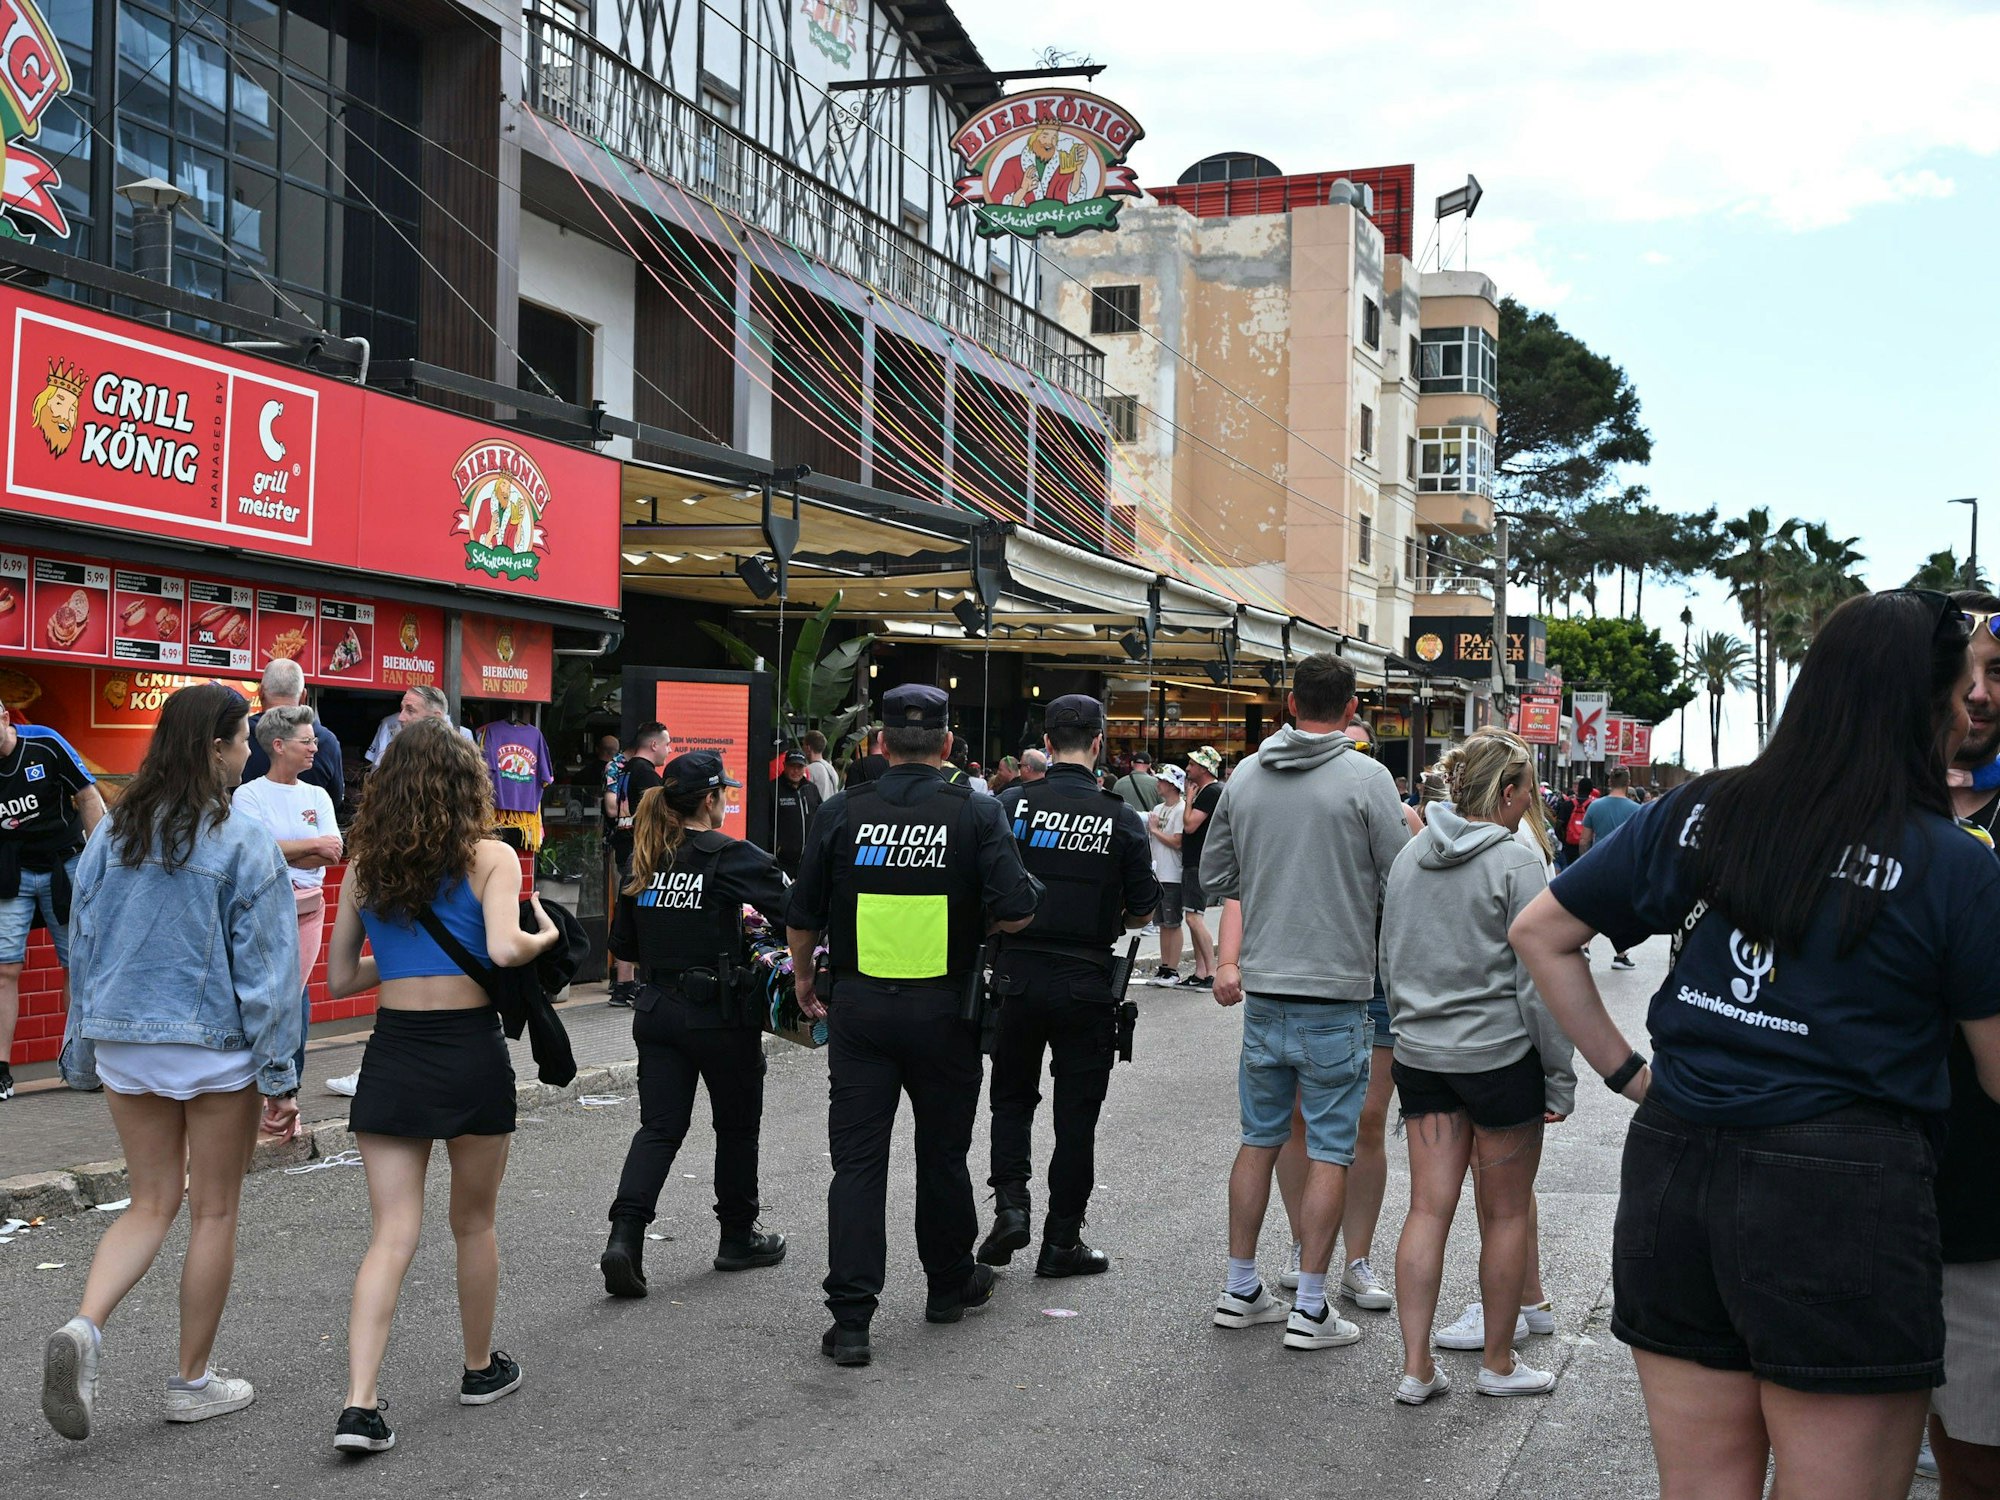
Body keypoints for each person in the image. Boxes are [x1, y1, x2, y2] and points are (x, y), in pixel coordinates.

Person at [1511, 589, 2000, 1500]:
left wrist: (1630, 1077)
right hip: (1844, 1191)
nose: (1978, 700)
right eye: (1970, 682)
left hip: (1675, 1168)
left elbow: (1543, 931)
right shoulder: (1955, 864)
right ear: (1926, 703)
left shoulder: (1705, 810)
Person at [42, 683, 301, 1441]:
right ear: (215, 748)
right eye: (244, 737)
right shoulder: (243, 839)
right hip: (213, 1047)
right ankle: (191, 1382)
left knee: (149, 1202)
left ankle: (86, 1325)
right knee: (213, 1209)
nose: (250, 748)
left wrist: (83, 1045)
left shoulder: (112, 834)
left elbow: (81, 945)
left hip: (124, 1040)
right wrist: (281, 1076)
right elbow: (267, 972)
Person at [786, 684, 1042, 1368]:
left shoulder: (842, 810)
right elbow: (1018, 911)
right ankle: (948, 1285)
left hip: (861, 1012)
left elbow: (803, 912)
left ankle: (851, 1322)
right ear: (949, 746)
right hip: (944, 1013)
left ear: (880, 744)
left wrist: (805, 979)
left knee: (859, 1164)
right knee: (942, 1156)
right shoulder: (976, 811)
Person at [324, 718, 561, 1456]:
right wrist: (545, 936)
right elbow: (501, 948)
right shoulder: (491, 856)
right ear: (469, 785)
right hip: (468, 1053)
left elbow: (338, 978)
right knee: (474, 1224)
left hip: (393, 1052)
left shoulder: (365, 866)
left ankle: (360, 1405)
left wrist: (403, 966)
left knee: (391, 1233)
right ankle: (478, 1368)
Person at [1200, 655, 1410, 1354]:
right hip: (1339, 990)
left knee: (1259, 1139)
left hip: (1264, 989)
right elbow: (1399, 874)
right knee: (1330, 1147)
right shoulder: (1367, 777)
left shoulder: (1248, 775)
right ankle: (1312, 1305)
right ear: (1351, 709)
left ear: (1291, 703)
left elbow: (1217, 874)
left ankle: (1240, 1288)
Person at [1380, 729, 1574, 1403]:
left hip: (1422, 1057)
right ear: (1512, 791)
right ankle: (1497, 1364)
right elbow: (1539, 980)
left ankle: (1416, 1367)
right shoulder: (1517, 864)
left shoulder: (1410, 857)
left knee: (1426, 1210)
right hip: (1498, 1059)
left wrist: (1409, 1032)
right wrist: (1560, 1073)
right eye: (1527, 793)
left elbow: (1391, 956)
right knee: (1507, 1212)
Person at [600, 751, 792, 1299]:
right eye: (724, 793)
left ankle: (624, 1237)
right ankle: (736, 1238)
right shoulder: (726, 855)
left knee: (659, 1128)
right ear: (710, 800)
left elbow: (624, 947)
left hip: (657, 1009)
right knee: (735, 1128)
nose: (727, 801)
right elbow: (793, 906)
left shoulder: (645, 857)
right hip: (719, 1015)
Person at [978, 696, 1158, 1276]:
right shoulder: (1119, 817)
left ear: (1047, 743)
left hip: (1016, 976)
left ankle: (1010, 1204)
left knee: (1010, 1099)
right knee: (1076, 1117)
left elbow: (985, 891)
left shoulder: (1009, 806)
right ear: (1100, 742)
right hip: (1086, 980)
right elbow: (1141, 911)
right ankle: (1061, 1242)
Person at [1931, 588, 2000, 1495]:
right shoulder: (1850, 820)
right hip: (1861, 1213)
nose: (1978, 693)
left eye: (1998, 673)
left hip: (1984, 1220)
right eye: (1959, 673)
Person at [232, 706, 344, 1104]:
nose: (316, 747)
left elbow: (332, 853)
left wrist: (289, 853)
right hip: (265, 908)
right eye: (307, 740)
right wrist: (310, 846)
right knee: (268, 995)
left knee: (294, 996)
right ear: (278, 746)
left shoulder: (317, 794)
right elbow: (256, 854)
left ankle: (286, 1086)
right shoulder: (248, 795)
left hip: (309, 910)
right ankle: (259, 1088)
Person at [0, 697, 105, 1102]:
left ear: (7, 718)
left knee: (76, 965)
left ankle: (81, 1064)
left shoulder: (43, 742)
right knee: (5, 969)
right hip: (13, 871)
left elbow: (89, 796)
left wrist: (101, 862)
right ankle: (2, 1072)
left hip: (66, 864)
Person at [607, 723, 671, 1008]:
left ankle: (623, 985)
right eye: (667, 745)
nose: (669, 751)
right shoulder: (646, 775)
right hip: (642, 853)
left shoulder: (625, 769)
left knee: (628, 912)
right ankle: (642, 985)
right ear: (654, 745)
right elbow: (661, 818)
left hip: (625, 848)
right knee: (644, 915)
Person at [241, 658, 346, 818]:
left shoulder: (240, 735)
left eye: (310, 741)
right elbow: (336, 801)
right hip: (310, 837)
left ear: (261, 693)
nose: (313, 748)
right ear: (304, 696)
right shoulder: (327, 741)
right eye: (306, 742)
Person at [1579, 768, 1643, 968]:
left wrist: (1584, 862)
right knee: (1619, 911)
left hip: (1597, 864)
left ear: (1609, 781)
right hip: (1624, 868)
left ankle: (1585, 945)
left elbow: (1584, 840)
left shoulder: (1595, 806)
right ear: (1628, 782)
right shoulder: (1637, 810)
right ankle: (1621, 955)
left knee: (1595, 908)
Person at [1178, 747, 1225, 988]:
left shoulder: (1211, 792)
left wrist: (1187, 799)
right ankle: (1200, 971)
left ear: (1205, 769)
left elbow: (1189, 825)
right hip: (1195, 860)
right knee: (1192, 916)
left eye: (1193, 764)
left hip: (1199, 861)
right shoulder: (1211, 790)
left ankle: (1211, 972)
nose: (1188, 768)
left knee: (1194, 917)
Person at [1146, 765, 1188, 985]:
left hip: (1172, 873)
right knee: (1162, 923)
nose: (1158, 784)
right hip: (1158, 872)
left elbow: (1177, 841)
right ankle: (1164, 967)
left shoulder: (1181, 809)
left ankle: (1173, 968)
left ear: (1172, 785)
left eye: (1162, 780)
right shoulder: (1158, 807)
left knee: (1172, 922)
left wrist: (1154, 831)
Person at [364, 685, 475, 766]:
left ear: (436, 717)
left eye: (410, 710)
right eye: (402, 709)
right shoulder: (396, 745)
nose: (400, 718)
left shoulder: (462, 744)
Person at [771, 749, 822, 878]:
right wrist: (776, 847)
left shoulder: (811, 789)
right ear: (784, 766)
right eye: (792, 766)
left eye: (799, 767)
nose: (796, 771)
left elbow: (821, 817)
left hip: (808, 861)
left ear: (805, 768)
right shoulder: (773, 789)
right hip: (782, 862)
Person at [1555, 778, 1595, 869]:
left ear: (1578, 788)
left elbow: (1558, 826)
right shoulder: (1594, 806)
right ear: (1591, 790)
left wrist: (1564, 840)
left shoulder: (1567, 805)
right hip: (1588, 847)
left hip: (1569, 847)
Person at [801, 729, 840, 801]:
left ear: (808, 748)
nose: (802, 748)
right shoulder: (831, 768)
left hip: (818, 810)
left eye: (803, 744)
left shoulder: (809, 769)